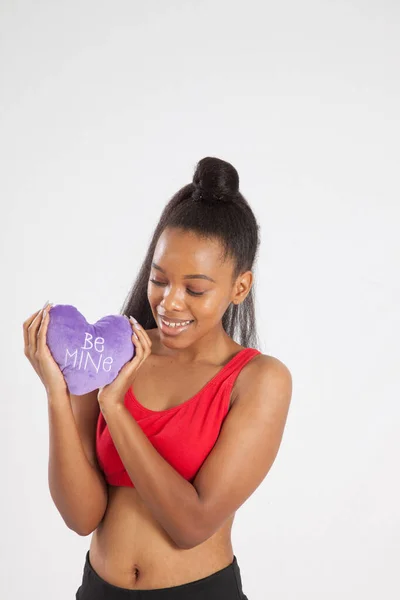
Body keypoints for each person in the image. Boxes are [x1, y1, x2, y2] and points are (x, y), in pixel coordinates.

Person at [23, 156, 292, 599]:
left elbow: (191, 525)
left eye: (195, 289)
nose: (169, 302)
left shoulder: (259, 381)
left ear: (239, 287)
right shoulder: (114, 352)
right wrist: (57, 392)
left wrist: (115, 407)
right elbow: (81, 517)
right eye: (160, 280)